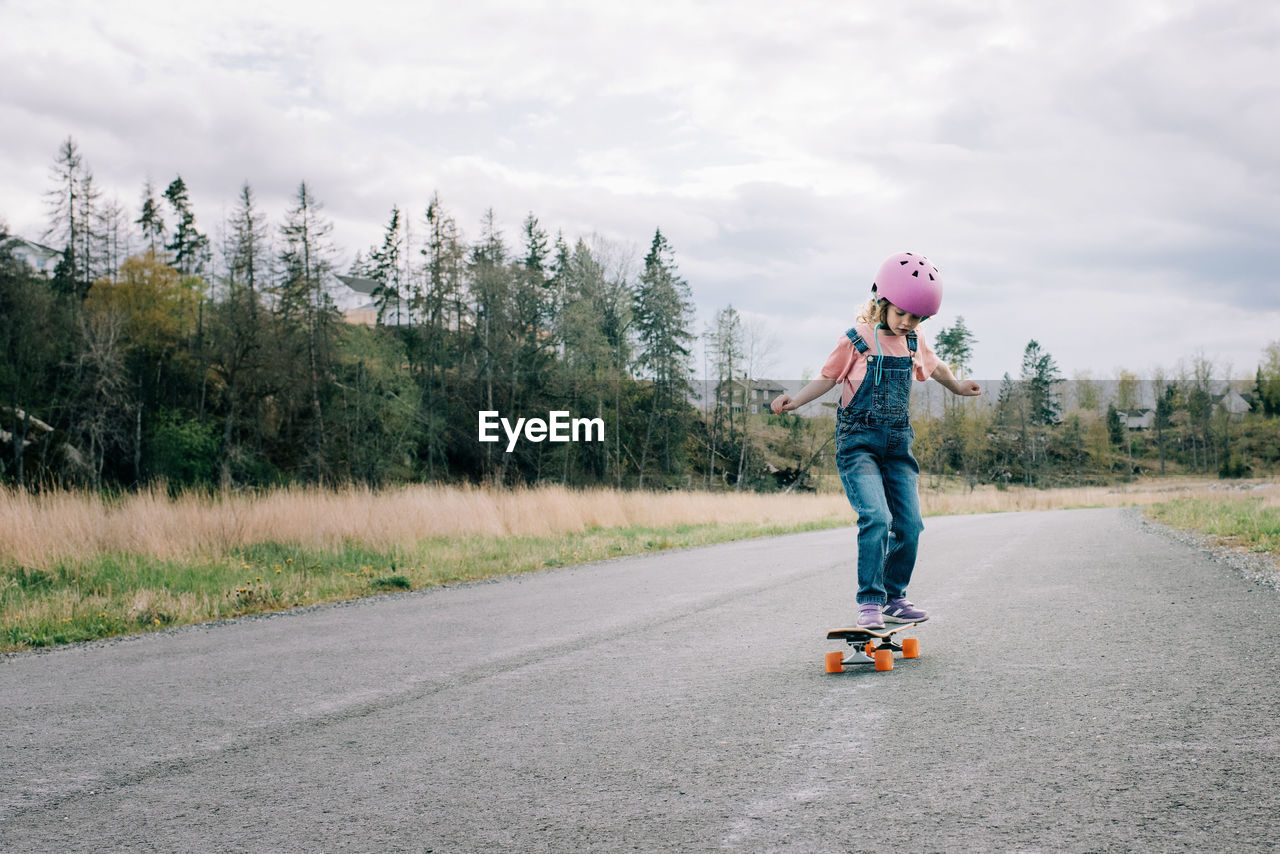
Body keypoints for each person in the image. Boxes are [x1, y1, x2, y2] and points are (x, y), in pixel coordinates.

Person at [771, 252, 981, 629]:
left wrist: (959, 387)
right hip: (858, 446)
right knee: (876, 518)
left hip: (898, 449)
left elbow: (938, 368)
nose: (908, 322)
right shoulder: (856, 340)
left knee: (911, 524)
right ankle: (870, 601)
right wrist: (796, 400)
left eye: (917, 317)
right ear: (881, 302)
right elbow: (826, 378)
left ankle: (894, 596)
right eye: (901, 313)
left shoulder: (915, 343)